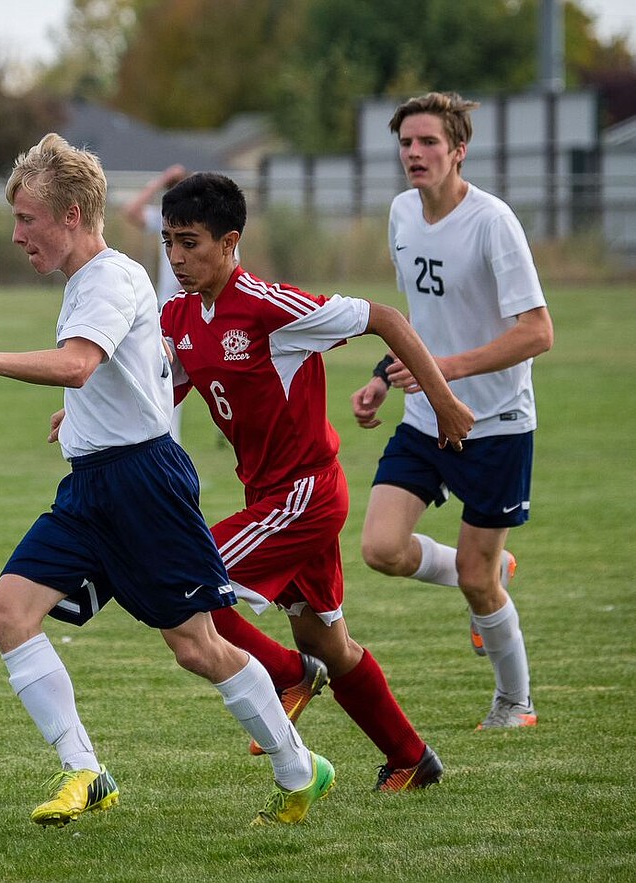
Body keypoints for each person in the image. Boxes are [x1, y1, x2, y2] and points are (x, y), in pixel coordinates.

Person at [0, 134, 334, 827]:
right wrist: (81, 416)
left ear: (72, 214)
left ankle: (300, 769)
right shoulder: (91, 281)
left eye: (27, 219)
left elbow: (78, 363)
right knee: (8, 615)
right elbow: (129, 368)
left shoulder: (109, 276)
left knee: (197, 645)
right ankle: (85, 770)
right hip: (92, 484)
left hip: (144, 486)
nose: (17, 235)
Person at [159, 172, 474, 791]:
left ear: (229, 242)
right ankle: (412, 758)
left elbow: (384, 317)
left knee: (185, 583)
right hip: (270, 497)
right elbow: (164, 390)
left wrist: (443, 402)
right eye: (169, 241)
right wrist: (86, 415)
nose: (176, 258)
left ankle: (285, 674)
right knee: (328, 638)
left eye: (190, 243)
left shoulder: (273, 308)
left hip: (304, 494)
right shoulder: (179, 315)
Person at [350, 91, 553, 730]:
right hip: (423, 421)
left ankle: (514, 703)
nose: (415, 153)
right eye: (406, 143)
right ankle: (491, 570)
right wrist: (386, 374)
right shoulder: (402, 214)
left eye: (429, 142)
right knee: (380, 548)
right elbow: (421, 319)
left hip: (497, 425)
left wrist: (445, 373)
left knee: (477, 579)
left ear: (458, 150)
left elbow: (538, 332)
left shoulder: (493, 222)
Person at [122, 163, 188, 441]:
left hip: (195, 315)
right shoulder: (167, 219)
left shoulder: (210, 230)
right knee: (161, 389)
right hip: (166, 317)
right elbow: (131, 212)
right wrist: (160, 179)